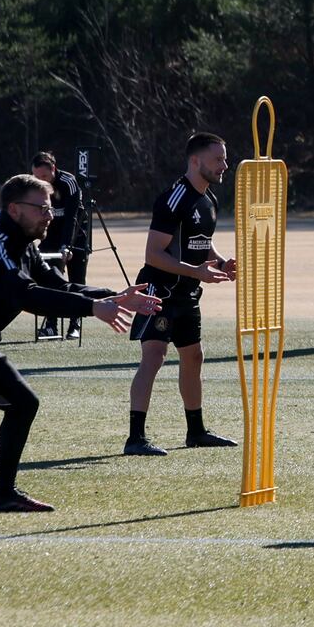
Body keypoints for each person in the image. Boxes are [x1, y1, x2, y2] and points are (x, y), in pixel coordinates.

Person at [0, 174, 160, 524]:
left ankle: (4, 495)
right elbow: (25, 295)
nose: (50, 215)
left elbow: (61, 285)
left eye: (50, 207)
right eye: (41, 208)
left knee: (23, 403)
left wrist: (114, 297)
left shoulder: (24, 245)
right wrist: (93, 309)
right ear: (14, 209)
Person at [124, 132, 239, 456]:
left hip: (188, 293)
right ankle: (135, 439)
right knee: (154, 356)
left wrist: (220, 262)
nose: (224, 166)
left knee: (194, 357)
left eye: (224, 159)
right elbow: (153, 255)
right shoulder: (174, 199)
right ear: (195, 160)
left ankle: (196, 431)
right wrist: (198, 271)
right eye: (218, 159)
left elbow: (201, 244)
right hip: (159, 291)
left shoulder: (210, 201)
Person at [30, 151, 88, 340]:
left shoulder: (68, 182)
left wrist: (67, 246)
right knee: (51, 281)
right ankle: (51, 326)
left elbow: (72, 218)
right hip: (51, 238)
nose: (41, 181)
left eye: (44, 176)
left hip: (76, 236)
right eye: (37, 177)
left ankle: (75, 324)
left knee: (76, 280)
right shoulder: (34, 187)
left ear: (53, 169)